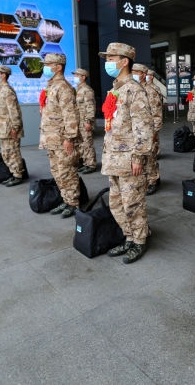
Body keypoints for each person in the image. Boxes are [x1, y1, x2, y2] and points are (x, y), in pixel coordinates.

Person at [99, 43, 154, 263]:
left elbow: (144, 126)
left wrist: (139, 157)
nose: (107, 62)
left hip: (130, 160)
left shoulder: (134, 90)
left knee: (133, 204)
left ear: (124, 61)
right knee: (116, 204)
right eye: (107, 58)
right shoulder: (116, 89)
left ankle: (139, 241)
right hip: (114, 158)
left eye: (111, 58)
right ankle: (130, 236)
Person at [39, 53, 81, 219]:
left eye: (49, 64)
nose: (46, 67)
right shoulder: (52, 86)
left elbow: (70, 115)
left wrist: (70, 138)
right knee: (57, 171)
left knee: (67, 171)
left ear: (59, 67)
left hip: (62, 140)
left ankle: (73, 202)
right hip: (52, 139)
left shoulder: (64, 88)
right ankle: (66, 199)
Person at [0, 65, 26, 186]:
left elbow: (14, 110)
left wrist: (15, 127)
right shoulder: (1, 89)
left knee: (13, 152)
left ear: (3, 75)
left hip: (10, 129)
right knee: (6, 153)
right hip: (3, 128)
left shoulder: (7, 90)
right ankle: (13, 173)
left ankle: (18, 175)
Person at [137, 64, 163, 195]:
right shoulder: (134, 89)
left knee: (150, 157)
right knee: (140, 157)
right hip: (137, 131)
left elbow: (157, 113)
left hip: (148, 130)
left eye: (136, 72)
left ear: (143, 74)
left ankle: (153, 181)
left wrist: (155, 131)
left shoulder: (151, 90)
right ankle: (144, 179)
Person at [72, 68, 97, 174]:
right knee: (81, 144)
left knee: (87, 143)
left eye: (77, 75)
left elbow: (90, 106)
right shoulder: (77, 90)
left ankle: (91, 164)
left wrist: (88, 121)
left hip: (85, 121)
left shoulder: (87, 90)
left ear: (83, 77)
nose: (75, 77)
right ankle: (85, 163)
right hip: (78, 122)